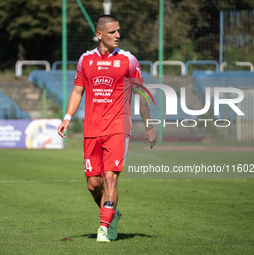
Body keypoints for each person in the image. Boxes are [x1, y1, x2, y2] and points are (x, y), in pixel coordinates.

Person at [58, 15, 157, 242]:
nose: (118, 36)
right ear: (99, 34)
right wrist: (67, 117)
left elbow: (140, 94)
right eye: (112, 32)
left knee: (110, 177)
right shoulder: (85, 60)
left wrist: (149, 125)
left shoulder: (128, 60)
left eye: (119, 31)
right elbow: (77, 91)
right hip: (91, 129)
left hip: (118, 128)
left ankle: (104, 228)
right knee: (94, 184)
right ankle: (112, 214)